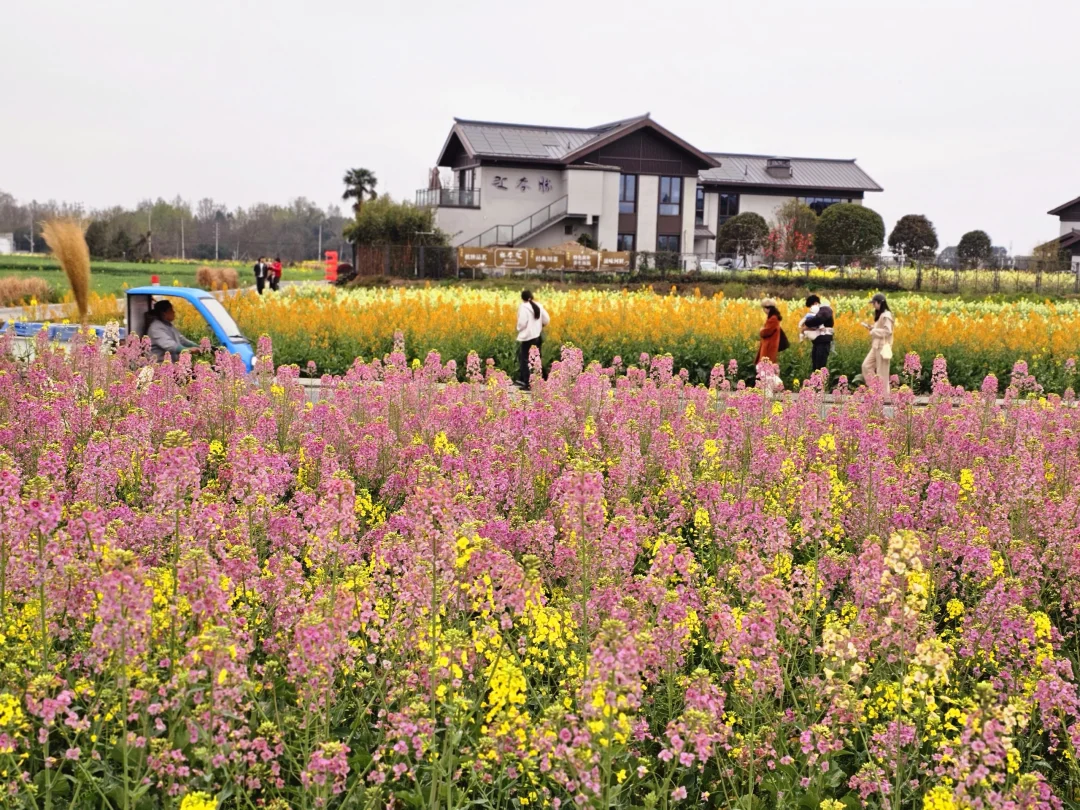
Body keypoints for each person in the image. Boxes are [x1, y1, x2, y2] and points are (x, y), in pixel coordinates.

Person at [860, 292, 895, 392]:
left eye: (874, 303)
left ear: (880, 303)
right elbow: (881, 329)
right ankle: (875, 389)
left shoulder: (886, 315)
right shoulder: (881, 315)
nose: (873, 306)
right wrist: (871, 328)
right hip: (876, 346)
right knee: (866, 366)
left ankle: (883, 396)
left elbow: (888, 331)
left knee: (882, 371)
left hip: (883, 347)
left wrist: (874, 331)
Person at [516, 290, 549, 390]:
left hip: (528, 338)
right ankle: (544, 379)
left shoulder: (523, 307)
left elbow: (522, 323)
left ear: (522, 298)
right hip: (538, 336)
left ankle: (527, 382)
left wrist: (519, 329)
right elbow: (546, 319)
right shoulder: (538, 305)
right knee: (537, 359)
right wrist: (540, 325)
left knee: (525, 359)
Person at [800, 294, 835, 373]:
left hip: (823, 341)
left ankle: (820, 384)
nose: (811, 309)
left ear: (815, 303)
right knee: (815, 365)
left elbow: (818, 319)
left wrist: (806, 323)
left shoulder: (825, 309)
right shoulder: (820, 310)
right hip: (817, 341)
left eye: (811, 306)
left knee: (820, 366)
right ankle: (815, 383)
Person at [755, 298, 783, 365]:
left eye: (764, 308)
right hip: (769, 346)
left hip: (769, 347)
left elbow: (766, 332)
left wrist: (761, 330)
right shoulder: (773, 317)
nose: (763, 310)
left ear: (768, 308)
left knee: (766, 366)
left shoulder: (773, 318)